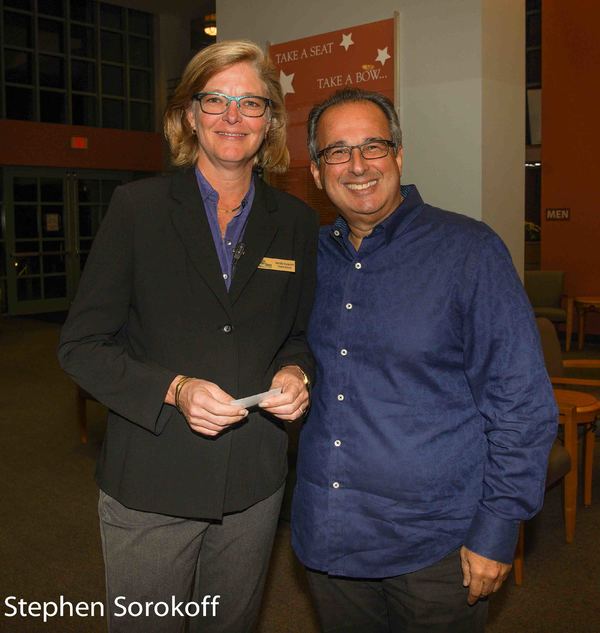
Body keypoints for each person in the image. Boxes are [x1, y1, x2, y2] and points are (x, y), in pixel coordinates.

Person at [58, 40, 318, 633]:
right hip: (152, 481)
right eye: (216, 100)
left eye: (250, 103)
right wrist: (174, 389)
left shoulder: (297, 222)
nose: (232, 116)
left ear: (271, 122)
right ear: (188, 115)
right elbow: (81, 345)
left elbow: (300, 335)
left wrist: (296, 373)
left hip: (254, 484)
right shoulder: (137, 209)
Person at [291, 88, 557, 633]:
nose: (358, 165)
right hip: (330, 536)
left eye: (374, 146)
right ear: (317, 172)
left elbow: (521, 405)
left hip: (437, 548)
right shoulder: (307, 259)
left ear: (400, 155)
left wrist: (498, 527)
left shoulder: (469, 251)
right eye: (337, 152)